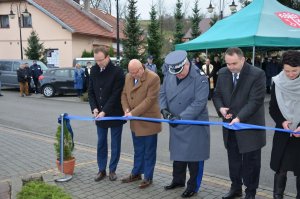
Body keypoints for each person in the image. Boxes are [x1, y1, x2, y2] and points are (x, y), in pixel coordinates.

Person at [213, 47, 266, 199]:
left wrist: (239, 118)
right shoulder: (223, 72)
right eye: (227, 64)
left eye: (234, 63)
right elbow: (216, 94)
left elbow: (255, 101)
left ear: (243, 59)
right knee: (234, 162)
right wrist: (221, 108)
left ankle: (250, 193)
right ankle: (235, 188)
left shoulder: (257, 74)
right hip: (230, 127)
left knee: (251, 164)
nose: (230, 67)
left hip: (249, 127)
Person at [160, 50, 210, 198]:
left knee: (194, 157)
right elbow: (162, 93)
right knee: (178, 154)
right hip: (175, 120)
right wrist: (164, 110)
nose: (178, 75)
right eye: (176, 73)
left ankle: (193, 186)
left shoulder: (200, 78)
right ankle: (178, 180)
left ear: (187, 64)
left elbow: (199, 103)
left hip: (192, 122)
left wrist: (181, 117)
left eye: (181, 72)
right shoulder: (171, 72)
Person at [121, 59, 161, 189]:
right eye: (130, 73)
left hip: (149, 121)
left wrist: (132, 113)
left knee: (149, 151)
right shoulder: (128, 76)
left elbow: (149, 100)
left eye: (134, 73)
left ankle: (148, 177)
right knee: (138, 150)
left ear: (141, 69)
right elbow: (124, 94)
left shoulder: (153, 78)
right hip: (135, 120)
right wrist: (126, 109)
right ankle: (136, 173)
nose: (132, 75)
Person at [88, 47, 125, 182]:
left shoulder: (117, 72)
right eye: (96, 60)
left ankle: (113, 170)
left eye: (100, 60)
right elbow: (91, 92)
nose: (98, 63)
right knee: (101, 143)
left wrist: (105, 111)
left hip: (114, 113)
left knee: (115, 144)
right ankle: (101, 169)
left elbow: (116, 95)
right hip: (100, 115)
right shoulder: (93, 70)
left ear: (108, 58)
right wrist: (95, 109)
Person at [269, 50, 300, 199]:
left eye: (294, 70)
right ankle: (277, 196)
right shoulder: (277, 82)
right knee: (280, 168)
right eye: (287, 70)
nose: (290, 74)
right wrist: (282, 121)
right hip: (283, 132)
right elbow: (272, 108)